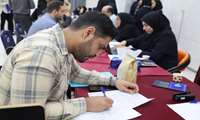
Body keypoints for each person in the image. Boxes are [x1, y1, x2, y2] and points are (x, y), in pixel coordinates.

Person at [0, 12, 139, 120]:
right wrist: (86, 104)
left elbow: (76, 73)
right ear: (88, 33)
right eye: (100, 47)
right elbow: (28, 115)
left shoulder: (61, 43)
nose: (98, 54)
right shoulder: (42, 53)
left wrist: (113, 81)